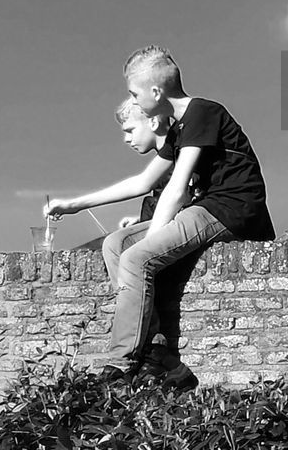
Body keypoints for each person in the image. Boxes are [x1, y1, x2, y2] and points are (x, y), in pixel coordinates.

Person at [45, 45, 275, 386]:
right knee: (115, 244)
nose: (133, 101)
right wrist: (76, 204)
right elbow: (144, 182)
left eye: (134, 93)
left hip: (231, 209)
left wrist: (150, 245)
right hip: (205, 207)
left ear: (155, 92)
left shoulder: (202, 113)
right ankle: (153, 346)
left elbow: (176, 187)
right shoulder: (181, 127)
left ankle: (121, 361)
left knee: (137, 258)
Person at [98, 99, 203, 389]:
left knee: (130, 257)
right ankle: (156, 347)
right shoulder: (168, 159)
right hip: (169, 223)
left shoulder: (183, 156)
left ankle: (128, 358)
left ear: (153, 123)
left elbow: (181, 197)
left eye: (130, 130)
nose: (126, 138)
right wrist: (142, 222)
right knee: (115, 244)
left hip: (187, 227)